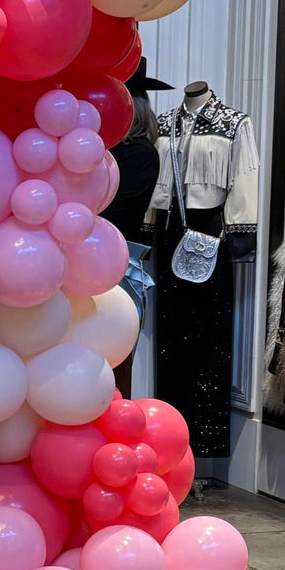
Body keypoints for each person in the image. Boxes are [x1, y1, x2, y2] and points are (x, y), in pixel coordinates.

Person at [103, 59, 171, 395]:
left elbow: (116, 212)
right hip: (96, 261)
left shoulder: (141, 154)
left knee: (114, 359)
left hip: (116, 263)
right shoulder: (111, 152)